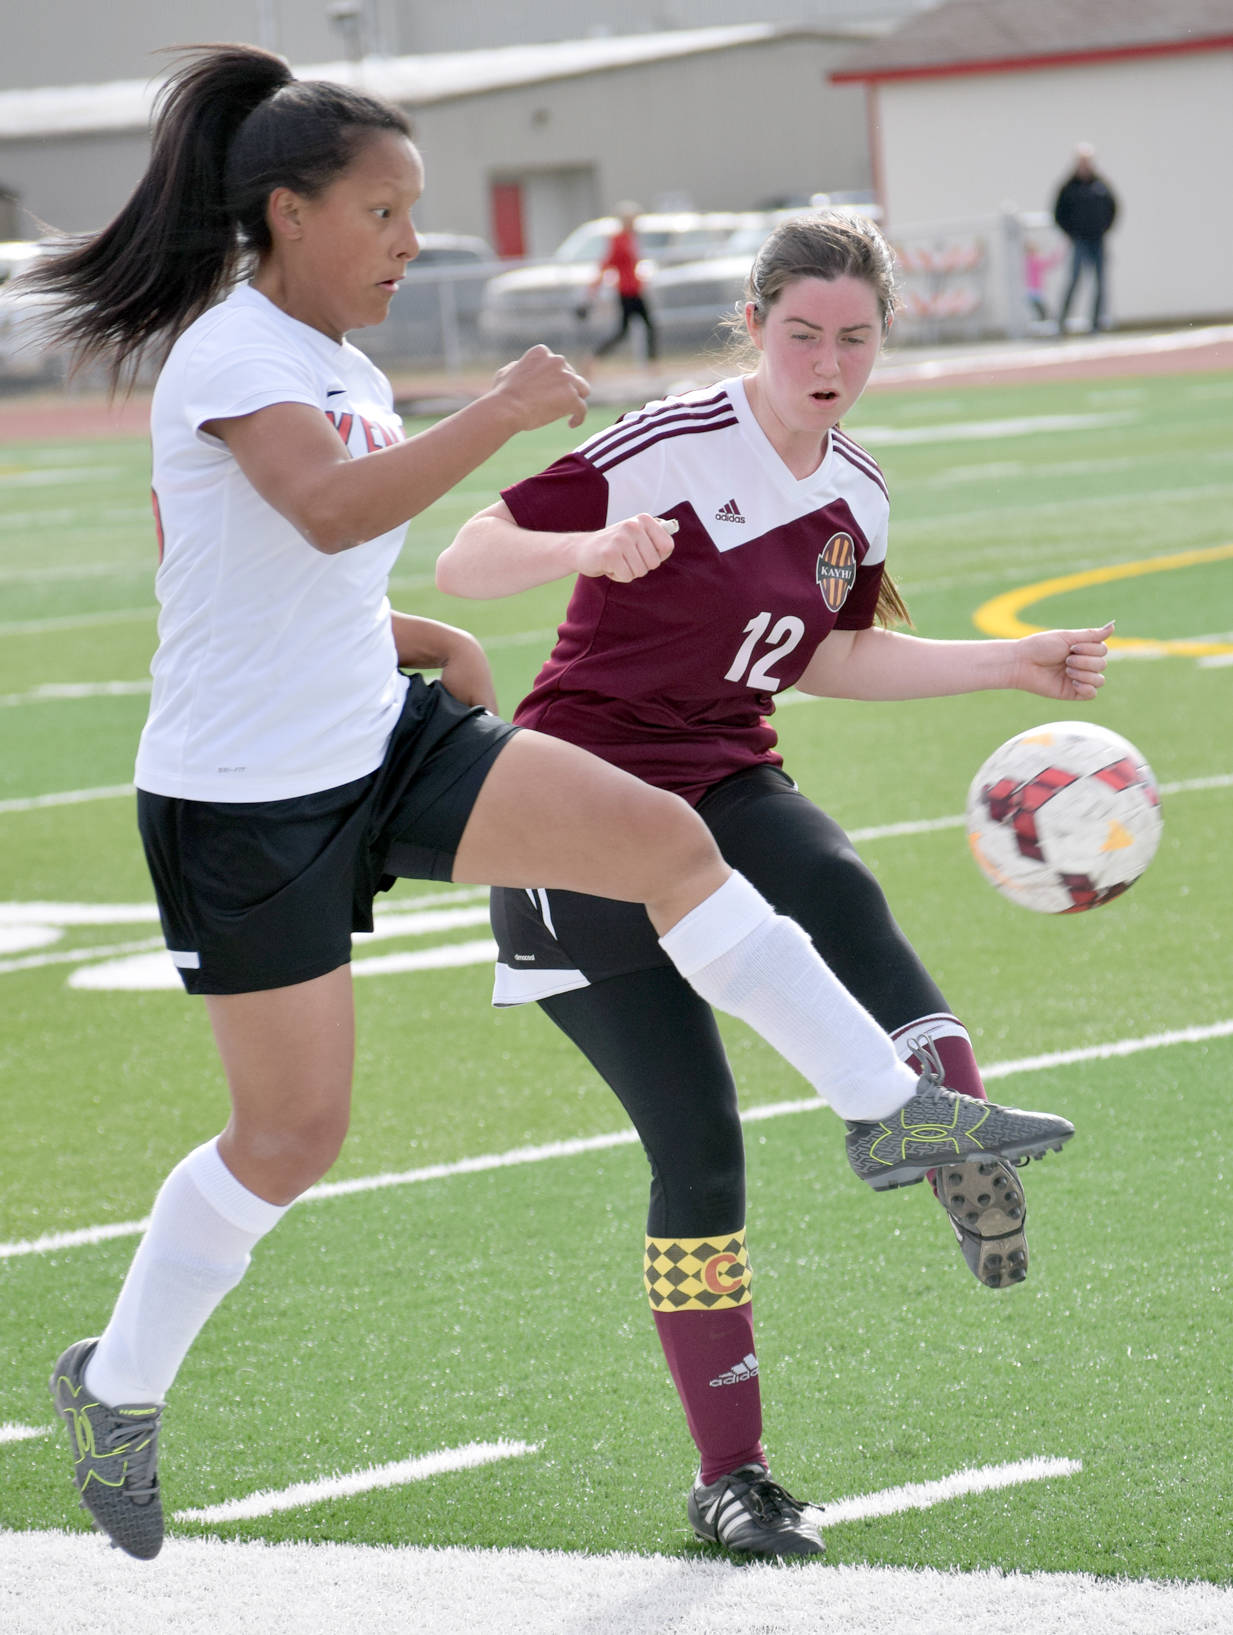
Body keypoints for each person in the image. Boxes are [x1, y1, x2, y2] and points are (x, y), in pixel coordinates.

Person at [23, 49, 1075, 1565]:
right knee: (290, 1135)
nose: (407, 243)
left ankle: (886, 1111)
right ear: (289, 211)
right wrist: (505, 419)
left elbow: (266, 564)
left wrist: (403, 643)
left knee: (669, 839)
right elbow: (321, 511)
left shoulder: (344, 368)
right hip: (242, 799)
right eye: (385, 213)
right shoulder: (230, 350)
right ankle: (115, 1388)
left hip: (376, 736)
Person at [439, 209, 1111, 1558]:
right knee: (698, 1155)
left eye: (854, 335)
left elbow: (825, 654)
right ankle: (730, 1474)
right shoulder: (672, 443)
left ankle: (945, 1135)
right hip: (575, 802)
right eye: (801, 330)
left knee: (835, 878)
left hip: (728, 780)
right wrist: (582, 550)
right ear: (754, 327)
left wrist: (1007, 660)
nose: (828, 356)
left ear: (881, 341)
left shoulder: (854, 488)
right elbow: (465, 556)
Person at [578, 201, 658, 362]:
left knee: (646, 327)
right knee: (625, 331)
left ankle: (651, 364)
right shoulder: (619, 241)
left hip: (635, 289)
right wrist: (591, 292)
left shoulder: (630, 239)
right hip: (627, 291)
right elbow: (606, 264)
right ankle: (594, 356)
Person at [1052, 144, 1117, 333]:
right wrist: (1071, 233)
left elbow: (1113, 209)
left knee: (1100, 282)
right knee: (1073, 280)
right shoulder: (1069, 186)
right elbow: (1059, 213)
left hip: (1097, 239)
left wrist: (1104, 229)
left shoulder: (1101, 185)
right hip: (1079, 240)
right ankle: (1061, 323)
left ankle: (1096, 324)